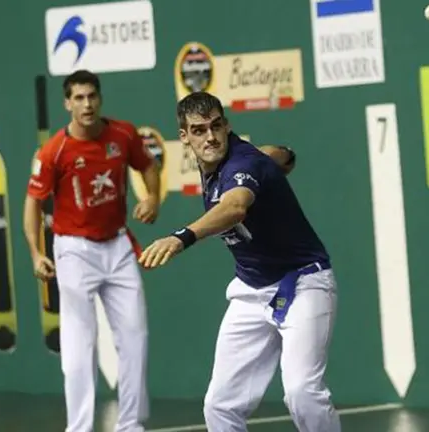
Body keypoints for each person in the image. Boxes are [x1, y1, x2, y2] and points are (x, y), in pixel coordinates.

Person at [138, 91, 340, 432]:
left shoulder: (243, 163)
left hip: (304, 282)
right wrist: (281, 158)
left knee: (302, 392)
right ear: (184, 136)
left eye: (216, 126)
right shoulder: (243, 161)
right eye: (199, 130)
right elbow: (277, 158)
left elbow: (235, 208)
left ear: (227, 125)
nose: (211, 137)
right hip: (251, 288)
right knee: (220, 405)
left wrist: (180, 237)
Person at [24, 69, 160, 432]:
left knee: (135, 337)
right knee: (79, 346)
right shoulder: (55, 151)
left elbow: (148, 166)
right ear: (67, 103)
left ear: (100, 99)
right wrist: (38, 253)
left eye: (91, 96)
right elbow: (33, 204)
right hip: (74, 251)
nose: (86, 104)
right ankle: (79, 428)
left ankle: (130, 425)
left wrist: (153, 199)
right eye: (78, 98)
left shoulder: (123, 134)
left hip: (117, 246)